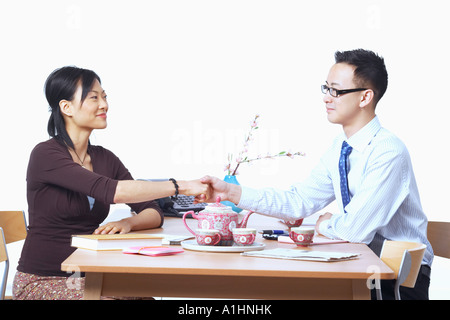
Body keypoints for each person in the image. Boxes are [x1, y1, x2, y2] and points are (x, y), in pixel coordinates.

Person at [200, 49, 433, 300]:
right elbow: (298, 202)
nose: (326, 98)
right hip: (361, 267)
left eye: (336, 91)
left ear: (365, 97)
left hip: (397, 280)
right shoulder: (340, 147)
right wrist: (231, 192)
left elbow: (353, 232)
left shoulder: (388, 152)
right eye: (326, 88)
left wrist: (325, 223)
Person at [13, 66, 208, 300]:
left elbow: (153, 210)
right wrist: (181, 185)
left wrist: (129, 222)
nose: (104, 104)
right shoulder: (45, 155)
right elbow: (111, 191)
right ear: (66, 107)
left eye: (104, 96)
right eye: (94, 97)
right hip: (45, 280)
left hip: (92, 277)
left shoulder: (105, 158)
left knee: (145, 297)